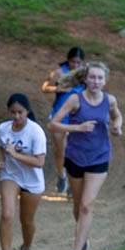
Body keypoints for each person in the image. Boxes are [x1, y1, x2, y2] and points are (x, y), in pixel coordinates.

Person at [50, 61, 123, 250]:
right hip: (75, 157)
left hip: (99, 157)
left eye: (100, 78)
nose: (96, 81)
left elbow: (117, 115)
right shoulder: (75, 99)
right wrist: (77, 127)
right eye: (92, 77)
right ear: (85, 79)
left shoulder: (109, 100)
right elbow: (53, 124)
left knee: (86, 205)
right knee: (78, 205)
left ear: (105, 80)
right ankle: (84, 236)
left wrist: (117, 125)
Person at [0, 93, 47, 250]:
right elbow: (1, 147)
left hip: (32, 180)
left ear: (27, 111)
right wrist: (2, 160)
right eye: (13, 112)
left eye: (20, 112)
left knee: (27, 221)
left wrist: (15, 155)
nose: (16, 117)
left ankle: (26, 249)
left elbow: (40, 162)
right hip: (11, 175)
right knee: (7, 214)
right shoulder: (3, 129)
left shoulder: (35, 131)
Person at [41, 47, 87, 194]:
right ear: (68, 60)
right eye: (73, 62)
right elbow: (44, 88)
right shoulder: (59, 72)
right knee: (60, 151)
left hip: (78, 116)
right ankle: (61, 176)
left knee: (74, 150)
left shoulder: (85, 73)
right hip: (59, 115)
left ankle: (74, 182)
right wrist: (57, 89)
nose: (76, 65)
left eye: (79, 62)